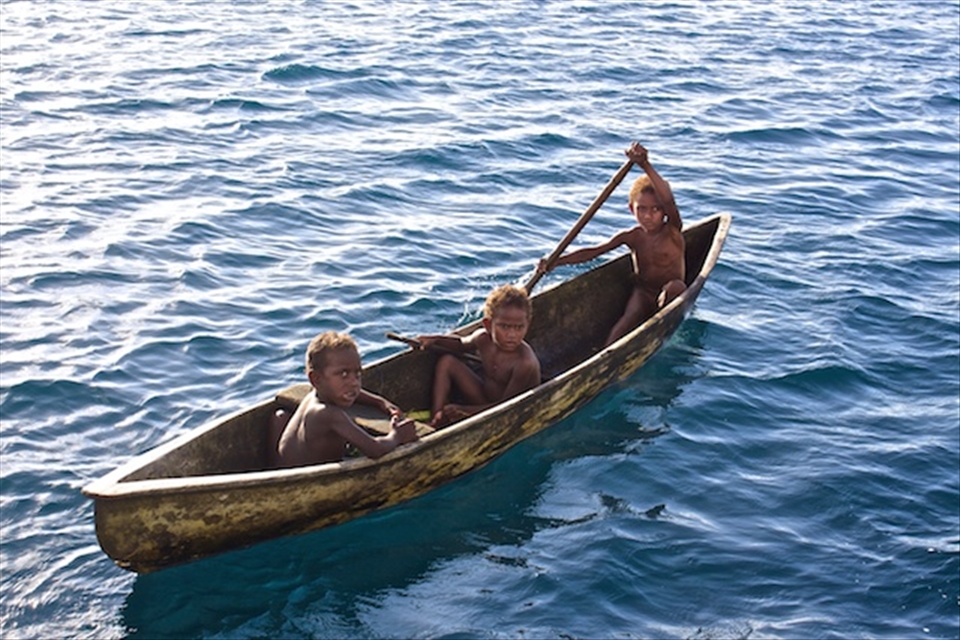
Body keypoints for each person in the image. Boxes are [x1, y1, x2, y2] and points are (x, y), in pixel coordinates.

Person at [538, 141, 685, 346]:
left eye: (655, 210)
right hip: (644, 293)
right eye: (642, 209)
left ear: (664, 212)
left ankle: (660, 326)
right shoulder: (632, 237)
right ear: (631, 210)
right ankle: (607, 354)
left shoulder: (672, 230)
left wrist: (645, 165)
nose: (648, 216)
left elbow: (668, 200)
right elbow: (593, 252)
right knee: (620, 328)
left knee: (674, 288)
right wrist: (556, 262)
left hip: (671, 291)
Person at [273, 331, 418, 467]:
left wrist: (381, 402)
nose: (354, 382)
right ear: (315, 378)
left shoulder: (314, 394)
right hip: (307, 482)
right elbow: (375, 449)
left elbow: (355, 392)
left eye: (358, 374)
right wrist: (397, 436)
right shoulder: (328, 414)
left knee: (281, 416)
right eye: (343, 374)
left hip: (289, 465)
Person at [417, 284, 541, 428]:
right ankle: (436, 418)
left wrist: (465, 410)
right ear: (488, 325)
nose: (512, 335)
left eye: (519, 327)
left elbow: (508, 406)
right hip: (482, 397)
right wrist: (436, 340)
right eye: (504, 327)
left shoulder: (524, 362)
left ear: (528, 324)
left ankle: (449, 416)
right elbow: (460, 345)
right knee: (447, 362)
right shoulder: (483, 338)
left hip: (504, 410)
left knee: (499, 409)